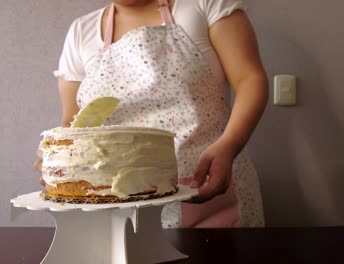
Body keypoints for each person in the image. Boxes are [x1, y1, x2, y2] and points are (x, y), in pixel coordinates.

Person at [35, 0, 268, 228]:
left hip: (205, 187)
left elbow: (250, 79)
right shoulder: (81, 31)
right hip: (116, 208)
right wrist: (59, 158)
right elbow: (74, 122)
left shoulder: (205, 5)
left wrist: (228, 146)